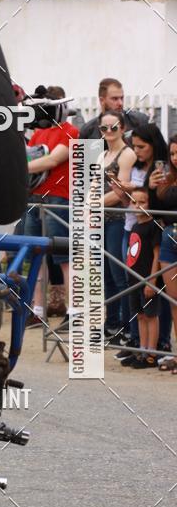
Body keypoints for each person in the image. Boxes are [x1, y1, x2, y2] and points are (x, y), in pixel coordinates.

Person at [111, 123, 169, 358]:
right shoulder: (135, 166)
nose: (137, 151)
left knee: (156, 290)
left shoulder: (162, 168)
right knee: (131, 286)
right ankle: (137, 342)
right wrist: (121, 191)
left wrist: (147, 187)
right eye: (134, 146)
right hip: (131, 228)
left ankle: (159, 344)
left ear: (154, 145)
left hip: (153, 231)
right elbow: (132, 201)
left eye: (141, 146)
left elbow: (158, 201)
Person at [24, 85, 79, 331]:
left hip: (59, 197)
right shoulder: (38, 133)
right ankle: (37, 310)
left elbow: (53, 159)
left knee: (64, 258)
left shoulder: (70, 131)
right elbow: (28, 155)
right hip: (35, 197)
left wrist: (19, 168)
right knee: (36, 256)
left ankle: (74, 312)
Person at [100, 110, 136, 343]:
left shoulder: (127, 154)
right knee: (107, 276)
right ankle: (111, 323)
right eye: (104, 128)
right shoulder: (102, 153)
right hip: (101, 219)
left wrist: (91, 204)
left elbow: (120, 191)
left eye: (114, 127)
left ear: (122, 128)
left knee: (119, 274)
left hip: (118, 219)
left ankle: (125, 325)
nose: (109, 132)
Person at [124, 188, 162, 369]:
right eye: (134, 202)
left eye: (142, 202)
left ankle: (151, 354)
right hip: (133, 279)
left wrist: (152, 280)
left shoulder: (154, 226)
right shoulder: (134, 226)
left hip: (148, 279)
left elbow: (157, 255)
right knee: (140, 316)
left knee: (150, 315)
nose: (138, 206)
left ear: (150, 204)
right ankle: (142, 349)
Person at [150, 134, 177, 371]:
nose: (176, 158)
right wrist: (152, 187)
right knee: (173, 300)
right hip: (169, 240)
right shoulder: (167, 179)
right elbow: (154, 211)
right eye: (173, 154)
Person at [79, 78, 147, 139]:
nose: (120, 103)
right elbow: (81, 152)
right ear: (102, 100)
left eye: (122, 98)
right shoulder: (88, 131)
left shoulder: (139, 121)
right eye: (115, 99)